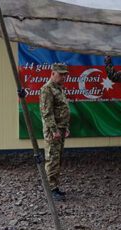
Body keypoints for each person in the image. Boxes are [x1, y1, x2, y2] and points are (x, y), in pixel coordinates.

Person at [39, 62, 71, 201]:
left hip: (60, 128)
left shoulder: (59, 88)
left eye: (65, 74)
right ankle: (51, 190)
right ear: (53, 73)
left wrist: (65, 127)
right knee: (52, 158)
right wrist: (54, 130)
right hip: (54, 130)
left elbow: (62, 110)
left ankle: (55, 187)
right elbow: (47, 113)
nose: (64, 77)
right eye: (61, 74)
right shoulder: (47, 89)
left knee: (57, 158)